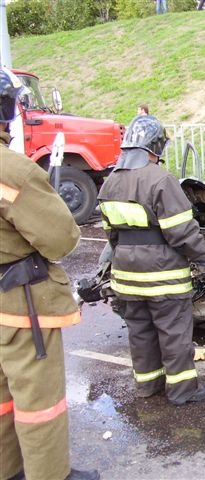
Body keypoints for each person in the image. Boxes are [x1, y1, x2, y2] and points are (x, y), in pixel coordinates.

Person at [0, 68, 100, 480]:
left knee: (3, 399)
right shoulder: (13, 170)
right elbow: (61, 240)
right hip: (18, 306)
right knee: (38, 402)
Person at [97, 115, 205, 405]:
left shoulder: (109, 181)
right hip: (162, 276)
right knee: (174, 333)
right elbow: (182, 231)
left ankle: (148, 386)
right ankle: (183, 391)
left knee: (141, 333)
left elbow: (111, 235)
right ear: (155, 148)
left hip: (126, 275)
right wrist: (203, 257)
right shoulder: (160, 179)